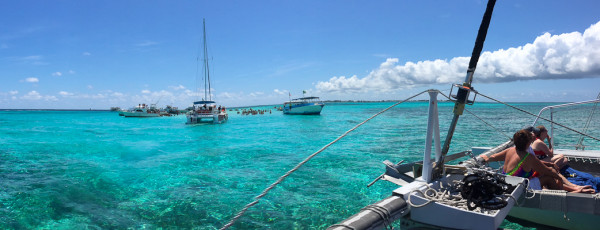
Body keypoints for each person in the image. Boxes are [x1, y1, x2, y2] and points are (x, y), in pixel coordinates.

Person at [480, 130, 594, 193]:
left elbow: (494, 156)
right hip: (519, 188)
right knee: (549, 178)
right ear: (528, 143)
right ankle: (568, 194)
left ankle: (572, 188)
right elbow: (547, 171)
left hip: (507, 182)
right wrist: (559, 178)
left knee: (546, 174)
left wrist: (486, 158)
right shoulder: (527, 157)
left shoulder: (510, 150)